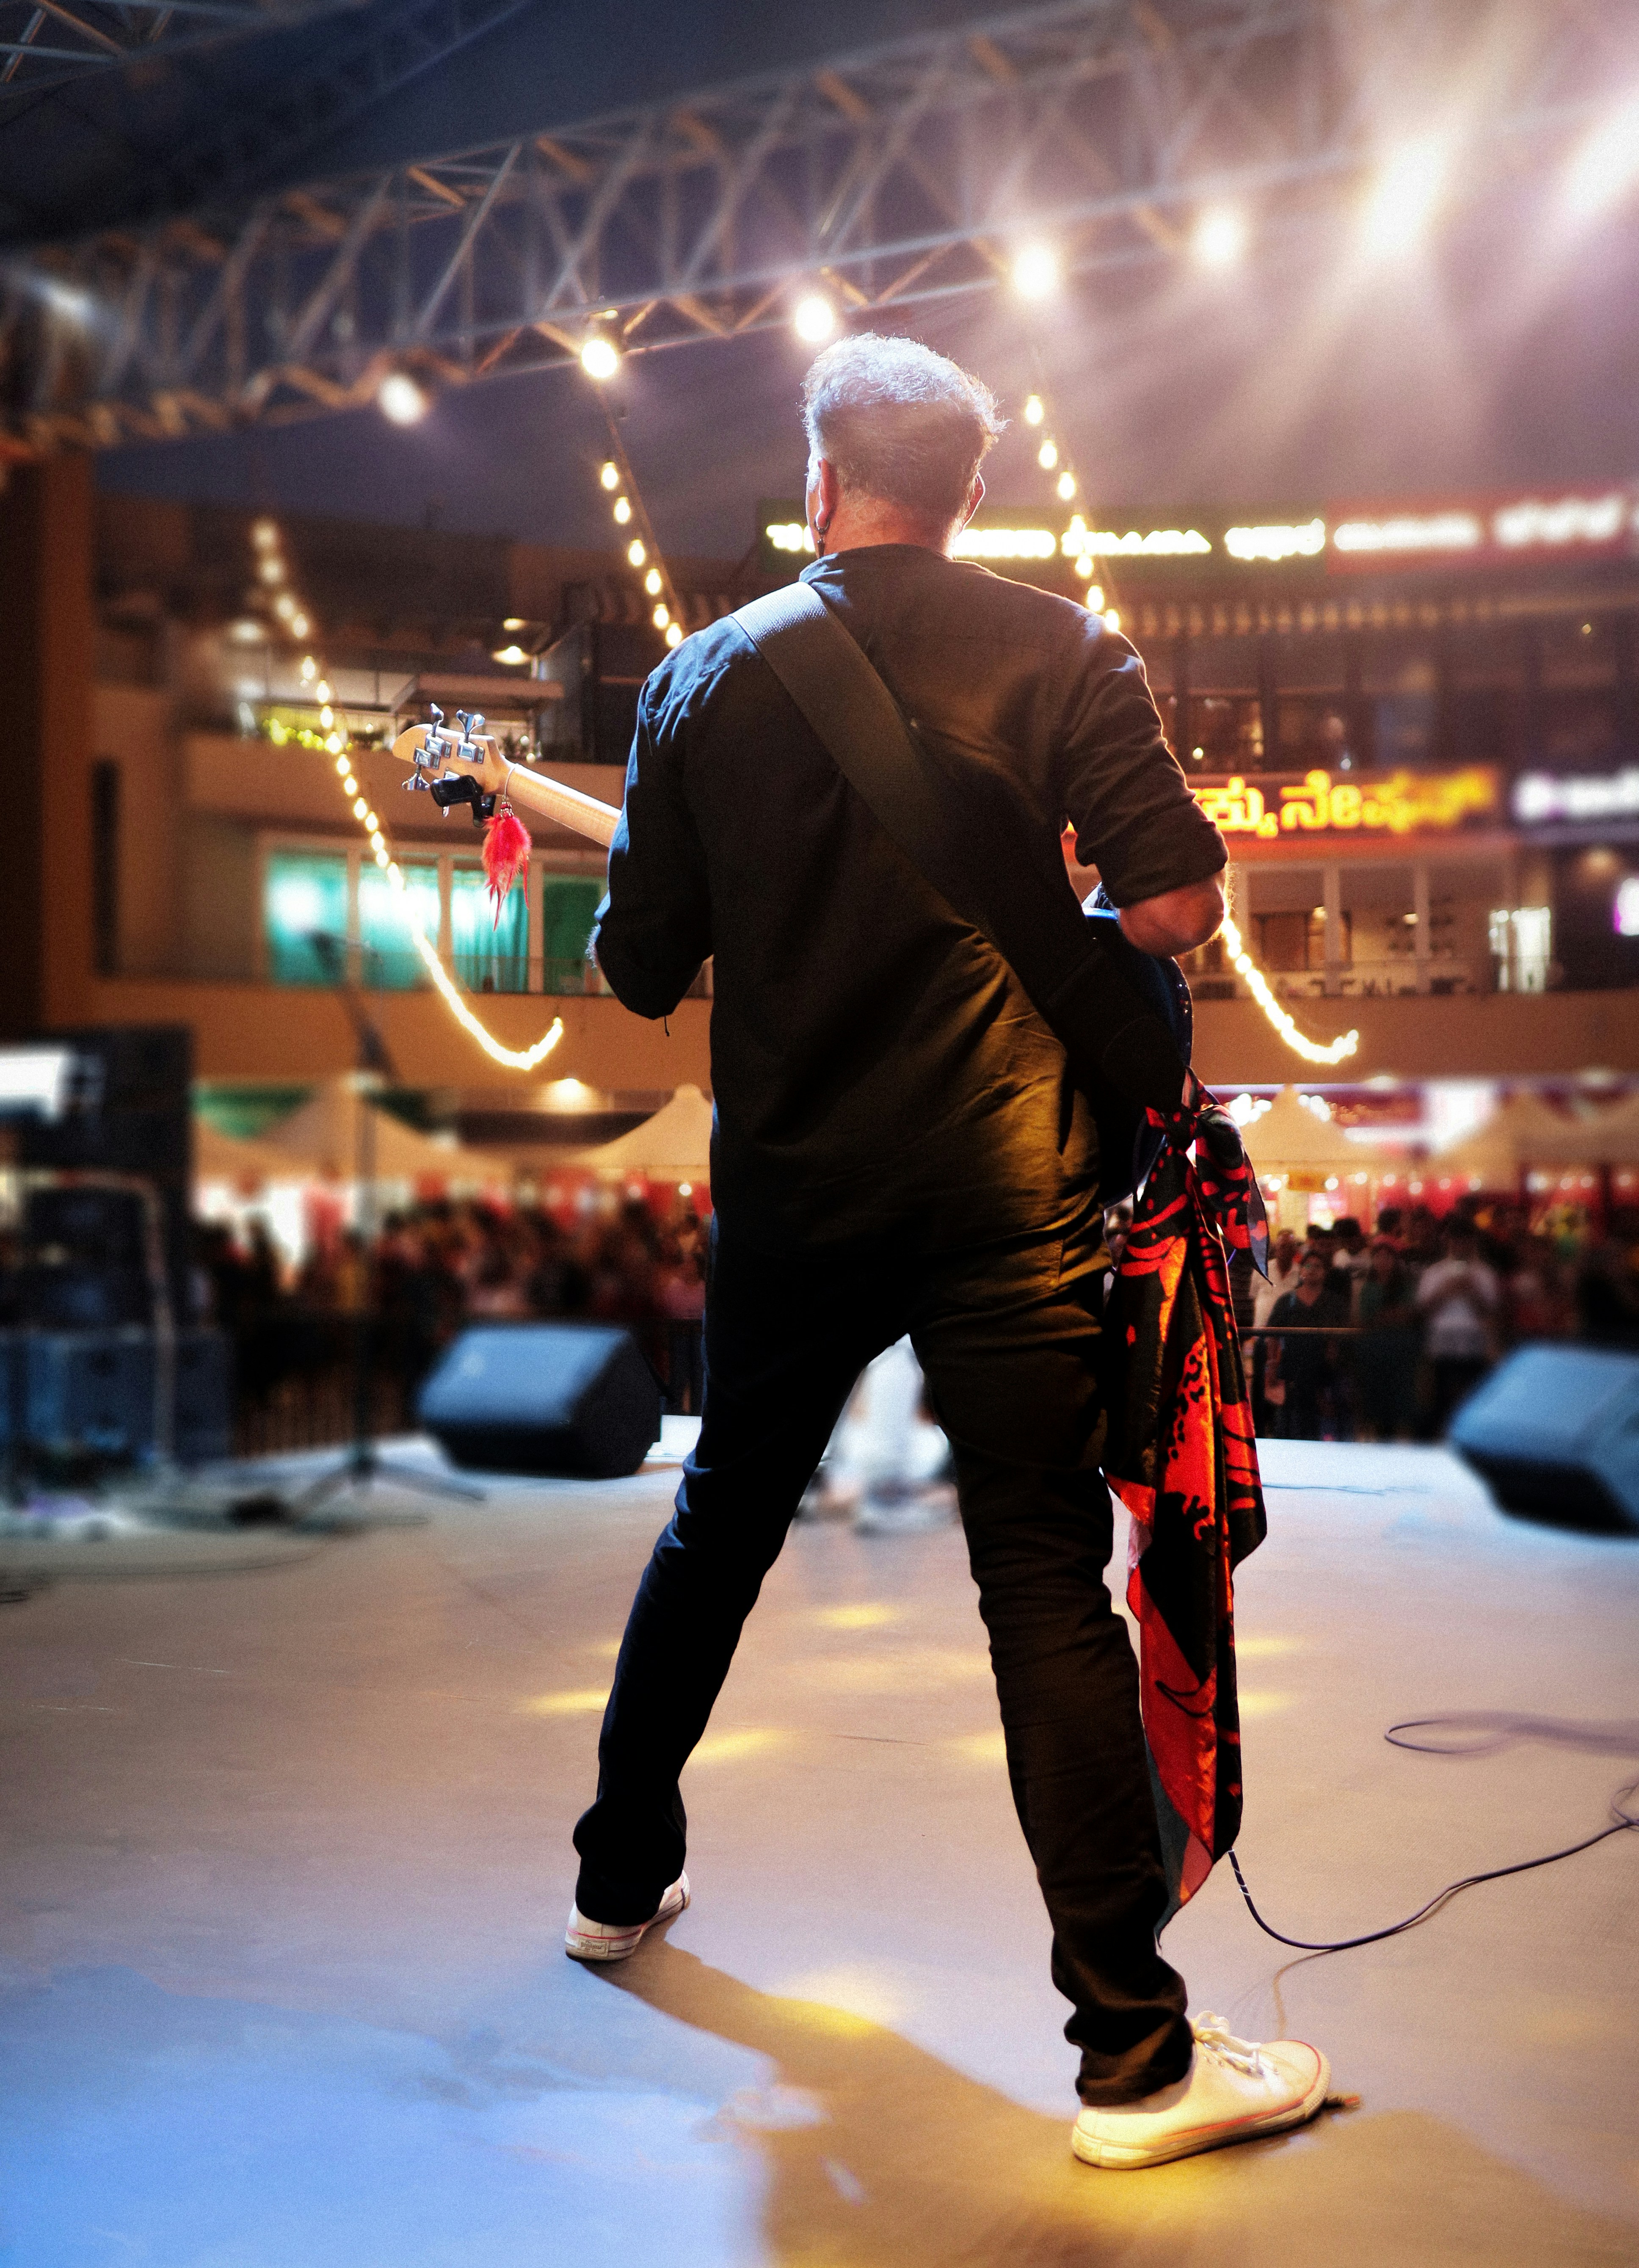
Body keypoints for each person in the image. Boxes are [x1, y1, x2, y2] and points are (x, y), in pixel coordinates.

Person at [467, 333, 1330, 2168]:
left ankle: (617, 1889)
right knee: (1034, 1578)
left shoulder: (700, 680)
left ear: (816, 488)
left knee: (717, 1525)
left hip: (794, 1193)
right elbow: (1170, 904)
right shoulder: (1056, 646)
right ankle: (1130, 2065)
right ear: (960, 495)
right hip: (1007, 1191)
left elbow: (636, 968)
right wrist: (1055, 908)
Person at [1416, 1216, 1500, 1433]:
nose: (1459, 1245)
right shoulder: (1434, 1273)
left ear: (1472, 1242)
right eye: (1455, 1240)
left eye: (1464, 1241)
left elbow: (1491, 1312)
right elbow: (1422, 1312)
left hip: (1474, 1343)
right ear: (1448, 1242)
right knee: (1439, 1400)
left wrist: (1472, 1292)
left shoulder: (1484, 1273)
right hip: (1441, 1343)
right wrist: (1444, 1292)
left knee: (1473, 1399)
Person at [1263, 1247, 1350, 1438]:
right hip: (1293, 1369)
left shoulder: (1335, 1303)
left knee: (1323, 1425)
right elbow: (1272, 1335)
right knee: (1292, 1422)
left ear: (1325, 1272)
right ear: (1301, 1270)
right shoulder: (1287, 1301)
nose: (1312, 1270)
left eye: (1318, 1266)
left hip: (1324, 1372)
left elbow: (1343, 1337)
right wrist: (1272, 1365)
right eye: (1308, 1265)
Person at [1353, 1239, 1420, 1441]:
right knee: (1376, 1398)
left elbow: (1409, 1314)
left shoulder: (1406, 1285)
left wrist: (1384, 1317)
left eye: (1388, 1257)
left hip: (1401, 1348)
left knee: (1399, 1397)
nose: (1383, 1261)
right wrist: (1390, 1317)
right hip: (1374, 1348)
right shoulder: (1369, 1288)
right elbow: (1366, 1318)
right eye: (1379, 1257)